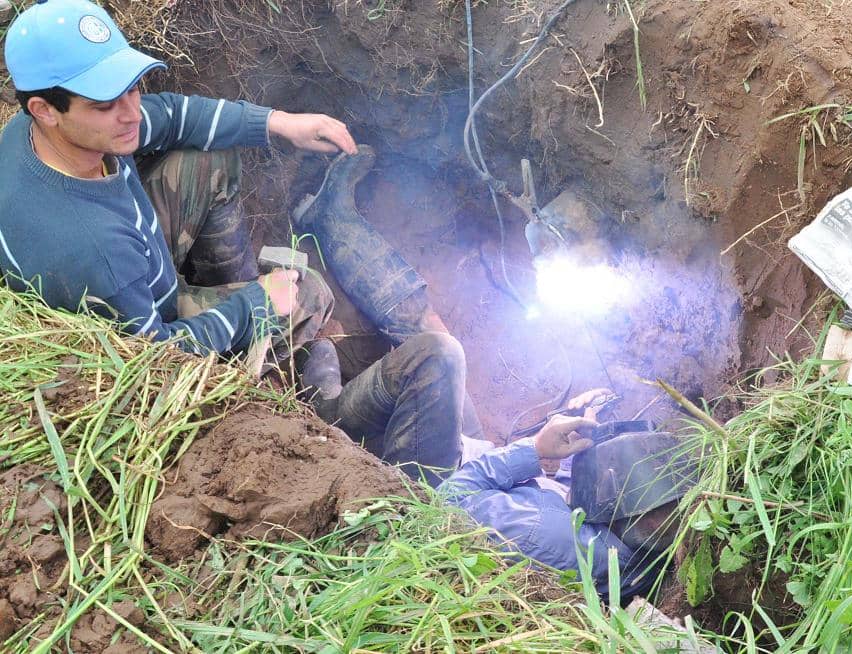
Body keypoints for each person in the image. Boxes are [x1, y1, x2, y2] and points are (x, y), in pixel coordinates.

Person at [0, 0, 463, 485]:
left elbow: (173, 115)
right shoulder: (90, 253)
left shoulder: (48, 132)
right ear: (45, 110)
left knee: (211, 160)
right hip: (153, 321)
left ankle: (242, 291)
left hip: (139, 253)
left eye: (132, 88)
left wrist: (280, 122)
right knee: (309, 294)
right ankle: (261, 360)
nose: (132, 112)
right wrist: (254, 307)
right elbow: (155, 361)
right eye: (106, 104)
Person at [439, 388, 693, 603]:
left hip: (454, 478)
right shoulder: (628, 545)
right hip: (499, 492)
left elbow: (445, 501)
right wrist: (581, 447)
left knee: (445, 360)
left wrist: (536, 447)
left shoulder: (537, 530)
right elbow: (573, 506)